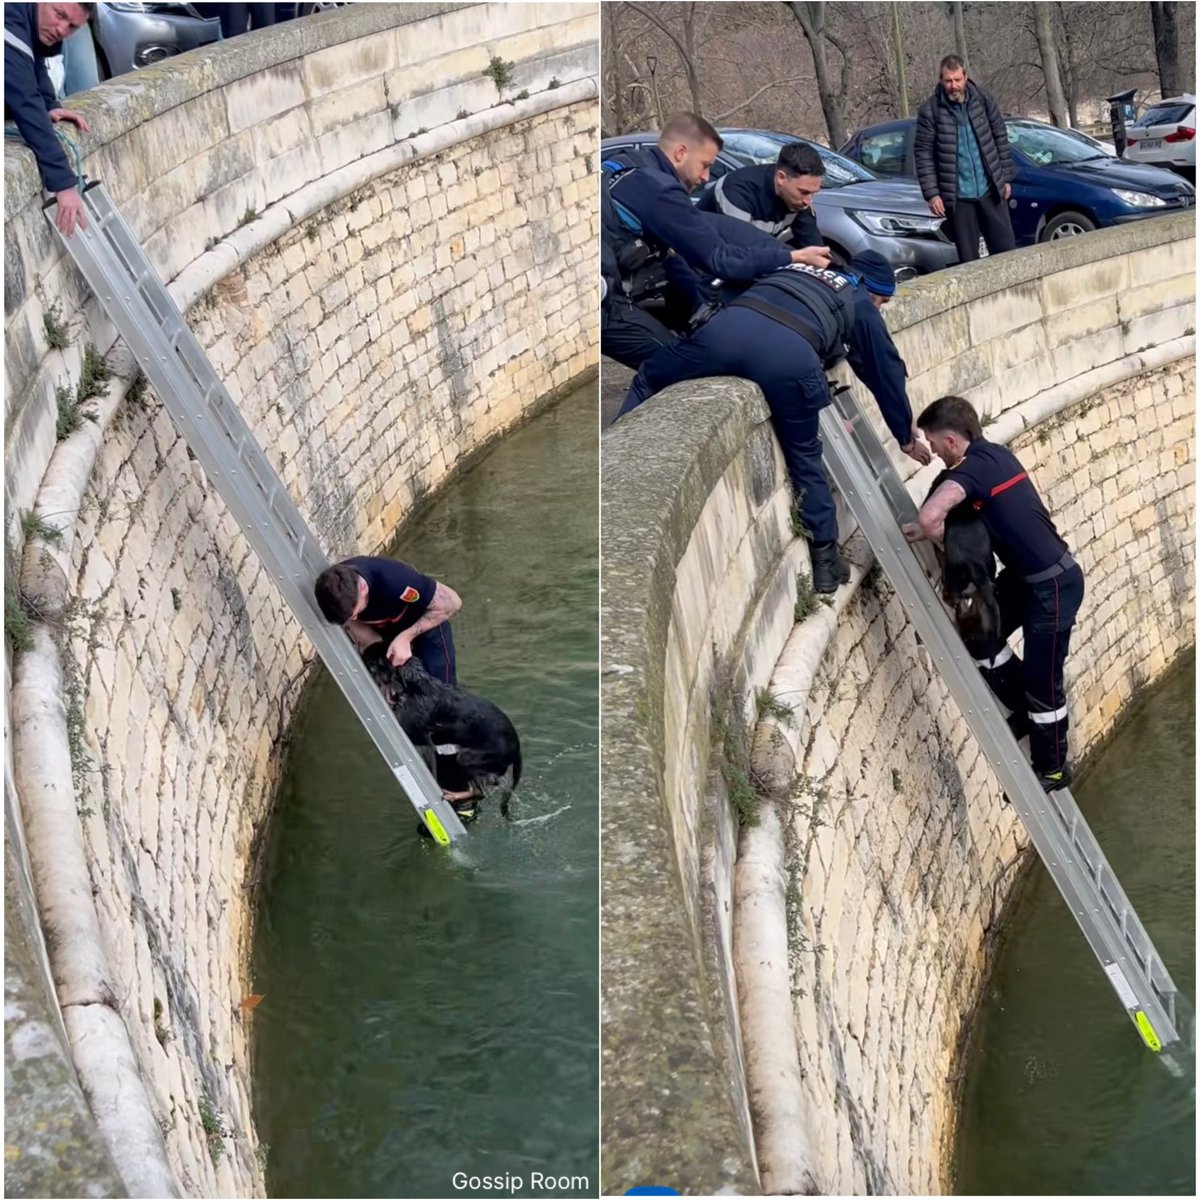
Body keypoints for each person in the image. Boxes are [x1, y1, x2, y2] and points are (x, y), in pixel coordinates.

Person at [618, 250, 932, 593]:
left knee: (650, 375)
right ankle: (826, 562)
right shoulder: (858, 301)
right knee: (804, 455)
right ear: (871, 289)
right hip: (790, 357)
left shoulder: (799, 267)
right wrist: (904, 433)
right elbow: (883, 370)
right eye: (882, 301)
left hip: (726, 331)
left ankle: (615, 452)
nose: (881, 308)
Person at [903, 395, 1084, 792]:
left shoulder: (971, 471)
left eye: (933, 443)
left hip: (1053, 587)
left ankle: (1053, 768)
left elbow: (931, 516)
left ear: (952, 440)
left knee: (1044, 683)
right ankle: (1021, 705)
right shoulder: (994, 457)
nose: (932, 451)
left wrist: (935, 534)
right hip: (1028, 579)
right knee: (977, 627)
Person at [601, 111, 819, 369]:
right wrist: (792, 256)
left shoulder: (629, 164)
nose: (706, 178)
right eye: (705, 165)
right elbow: (721, 259)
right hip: (605, 306)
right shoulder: (660, 191)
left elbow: (672, 257)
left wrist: (700, 305)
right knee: (682, 367)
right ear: (681, 153)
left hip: (617, 283)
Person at [913, 55, 1016, 264]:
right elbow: (923, 154)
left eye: (957, 80)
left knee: (1006, 252)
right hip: (959, 198)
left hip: (990, 191)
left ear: (966, 77)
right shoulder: (930, 111)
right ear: (941, 81)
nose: (954, 86)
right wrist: (932, 194)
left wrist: (1005, 178)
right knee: (969, 260)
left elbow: (1000, 137)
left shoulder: (983, 99)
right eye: (948, 81)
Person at [4, 2, 93, 236]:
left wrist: (50, 105)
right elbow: (24, 100)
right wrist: (63, 182)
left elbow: (33, 61)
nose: (62, 30)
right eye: (59, 14)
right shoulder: (8, 20)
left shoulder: (29, 22)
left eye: (72, 26)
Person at [314, 556, 462, 685]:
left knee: (440, 690)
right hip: (386, 628)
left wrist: (406, 637)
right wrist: (377, 650)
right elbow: (352, 622)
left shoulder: (395, 579)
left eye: (354, 614)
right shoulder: (335, 590)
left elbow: (453, 602)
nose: (354, 618)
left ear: (363, 588)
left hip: (425, 624)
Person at [696, 140, 830, 257]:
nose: (808, 201)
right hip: (698, 263)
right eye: (804, 192)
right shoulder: (737, 191)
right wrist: (795, 257)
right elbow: (743, 250)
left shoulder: (798, 200)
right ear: (781, 178)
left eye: (813, 193)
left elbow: (815, 248)